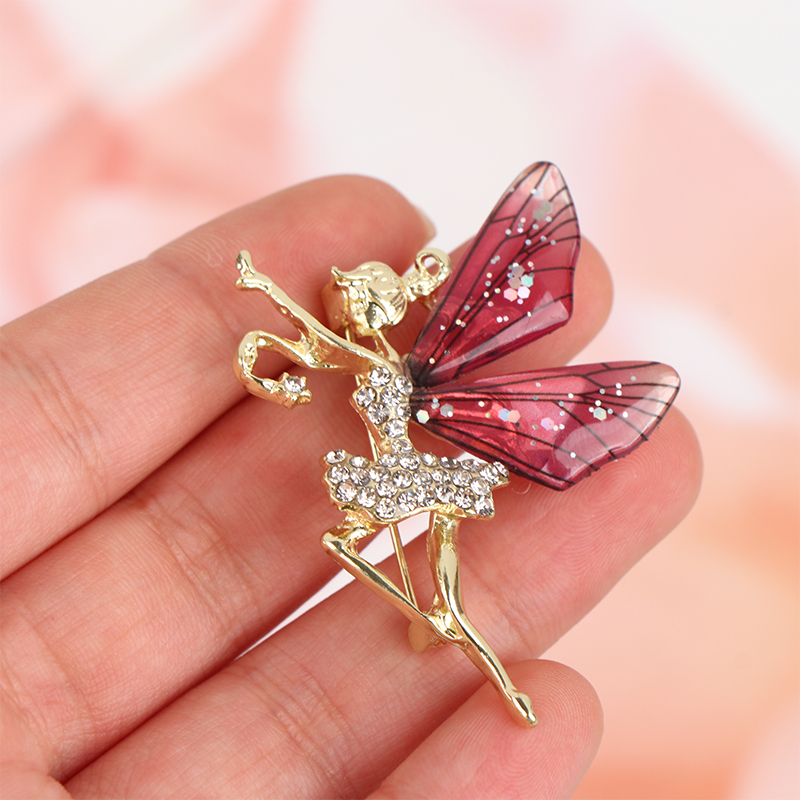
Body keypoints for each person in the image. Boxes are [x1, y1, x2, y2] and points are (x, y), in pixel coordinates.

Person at [0, 175, 701, 798]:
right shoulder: (363, 356)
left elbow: (310, 332)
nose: (354, 308)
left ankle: (452, 627)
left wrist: (264, 288)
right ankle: (452, 632)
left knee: (423, 553)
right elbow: (307, 334)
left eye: (361, 298)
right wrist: (260, 289)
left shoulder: (391, 360)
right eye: (354, 300)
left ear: (381, 306)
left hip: (404, 470)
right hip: (390, 473)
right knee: (369, 547)